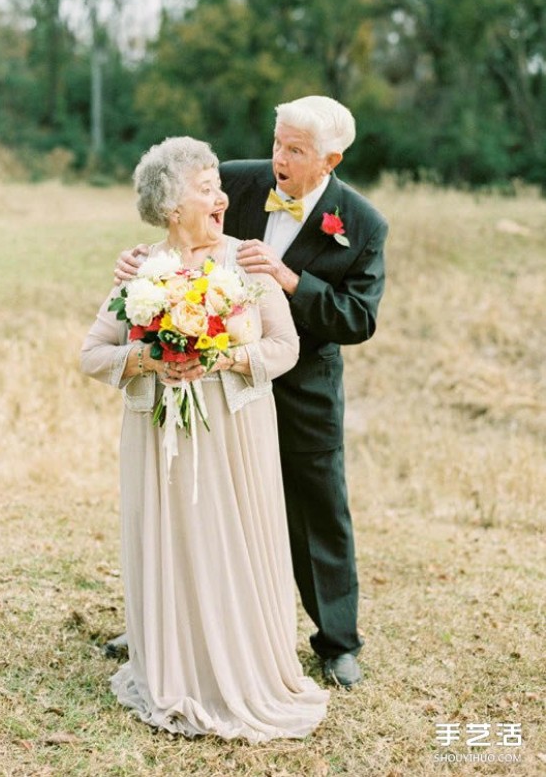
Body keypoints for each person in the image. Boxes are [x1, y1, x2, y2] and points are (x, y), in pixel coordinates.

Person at [114, 95, 389, 688]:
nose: (278, 159)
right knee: (192, 499)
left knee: (318, 512)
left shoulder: (363, 224)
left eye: (295, 150)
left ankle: (337, 641)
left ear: (330, 159)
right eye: (277, 142)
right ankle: (164, 626)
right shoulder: (235, 183)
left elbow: (358, 320)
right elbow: (177, 223)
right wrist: (140, 264)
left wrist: (290, 279)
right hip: (219, 386)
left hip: (302, 385)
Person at [80, 136, 328, 741]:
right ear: (171, 207)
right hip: (161, 433)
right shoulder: (142, 270)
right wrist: (148, 357)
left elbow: (284, 347)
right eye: (206, 187)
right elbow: (92, 353)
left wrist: (219, 359)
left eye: (220, 184)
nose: (221, 197)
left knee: (229, 538)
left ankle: (242, 670)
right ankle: (177, 663)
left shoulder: (246, 260)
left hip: (233, 433)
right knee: (178, 540)